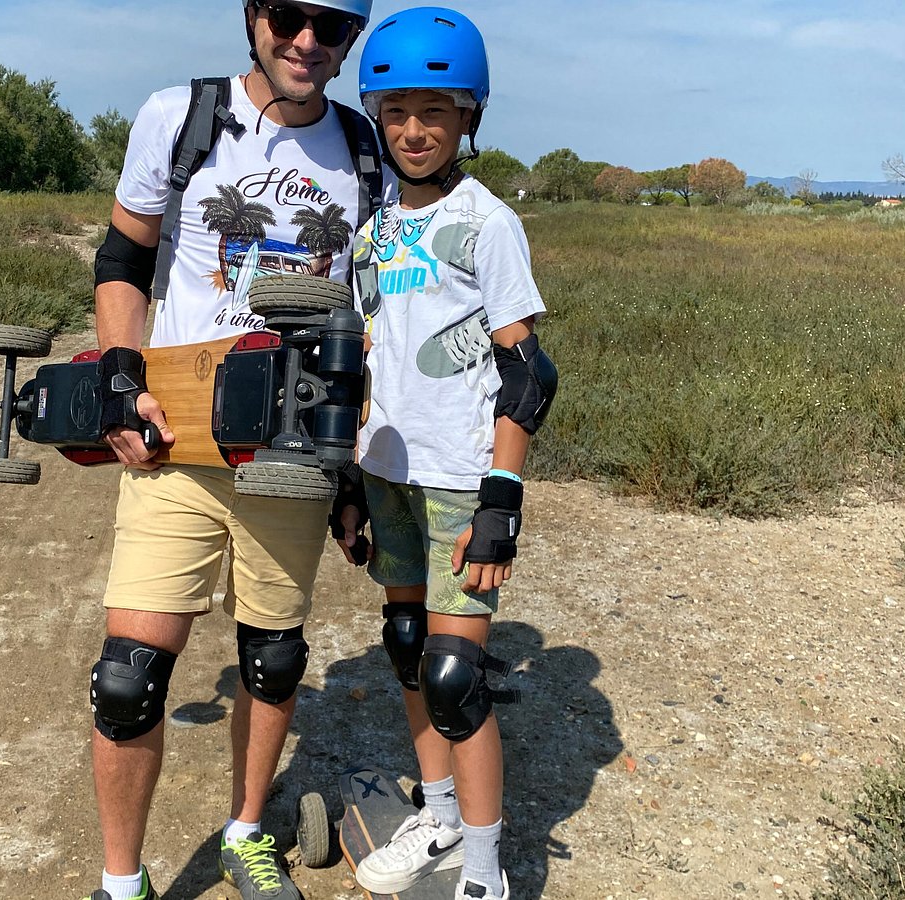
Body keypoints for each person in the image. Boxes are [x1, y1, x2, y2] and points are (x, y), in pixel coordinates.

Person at [85, 2, 386, 898]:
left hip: (293, 459)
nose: (307, 42)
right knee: (129, 681)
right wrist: (116, 376)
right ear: (253, 14)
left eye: (332, 28)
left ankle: (246, 831)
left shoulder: (366, 154)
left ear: (350, 42)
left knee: (275, 656)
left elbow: (369, 319)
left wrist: (353, 474)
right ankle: (119, 881)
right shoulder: (179, 118)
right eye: (290, 15)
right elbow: (122, 259)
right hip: (176, 443)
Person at [336, 8, 557, 900]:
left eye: (436, 109)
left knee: (455, 676)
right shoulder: (374, 230)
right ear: (376, 117)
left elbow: (528, 371)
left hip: (464, 481)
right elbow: (369, 361)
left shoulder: (487, 222)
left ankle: (482, 873)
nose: (414, 129)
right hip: (388, 473)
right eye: (395, 111)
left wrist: (503, 496)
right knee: (404, 645)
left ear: (470, 117)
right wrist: (350, 477)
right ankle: (434, 814)